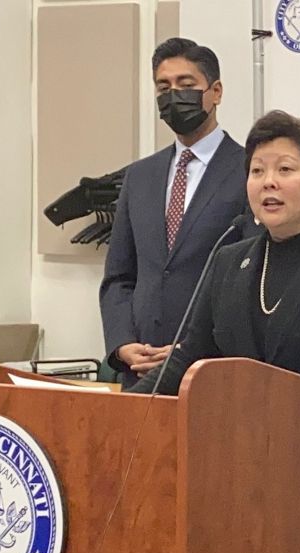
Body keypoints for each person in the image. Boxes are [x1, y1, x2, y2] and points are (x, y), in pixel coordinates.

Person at [131, 110, 300, 403]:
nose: (268, 182)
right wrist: (127, 406)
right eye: (257, 170)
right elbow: (189, 356)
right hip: (235, 440)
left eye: (285, 170)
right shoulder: (228, 261)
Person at [99, 37, 250, 389]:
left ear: (215, 92)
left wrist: (191, 348)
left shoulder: (250, 172)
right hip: (138, 372)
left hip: (210, 373)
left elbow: (247, 280)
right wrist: (121, 346)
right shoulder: (139, 176)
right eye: (163, 87)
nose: (173, 95)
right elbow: (119, 276)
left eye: (186, 85)